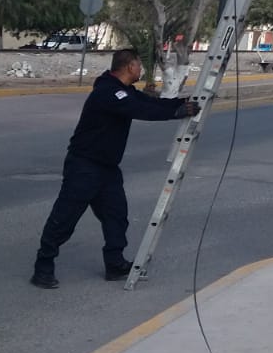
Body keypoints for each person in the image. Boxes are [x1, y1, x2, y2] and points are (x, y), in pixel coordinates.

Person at [31, 49, 197, 288]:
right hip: (84, 166)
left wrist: (180, 104)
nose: (141, 70)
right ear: (129, 66)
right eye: (139, 65)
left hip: (107, 169)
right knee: (64, 217)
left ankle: (114, 264)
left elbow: (148, 103)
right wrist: (176, 113)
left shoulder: (125, 92)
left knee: (116, 217)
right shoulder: (108, 93)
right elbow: (140, 110)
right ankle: (43, 267)